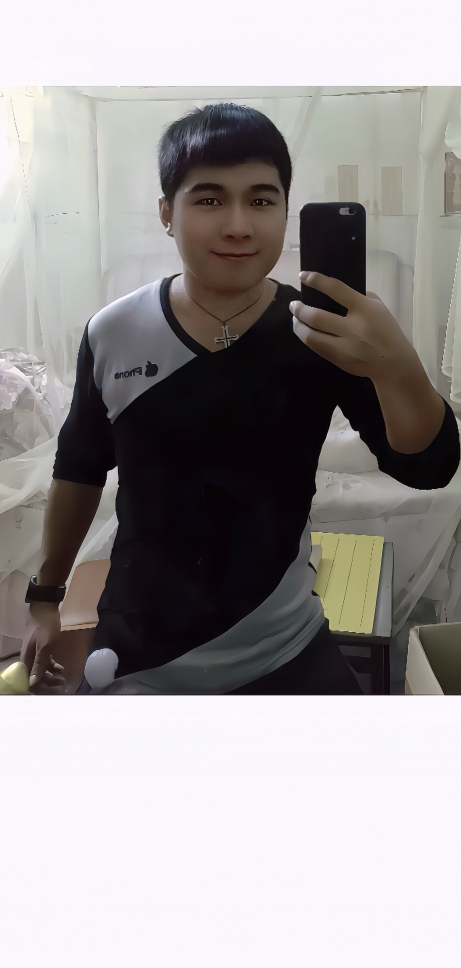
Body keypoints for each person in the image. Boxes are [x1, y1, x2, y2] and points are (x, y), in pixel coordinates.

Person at [21, 103, 460, 695]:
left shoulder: (320, 331)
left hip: (287, 646)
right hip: (140, 656)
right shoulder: (113, 331)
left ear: (285, 211)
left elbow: (427, 467)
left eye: (261, 200)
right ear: (166, 213)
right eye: (209, 199)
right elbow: (78, 468)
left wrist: (398, 365)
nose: (238, 226)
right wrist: (45, 599)